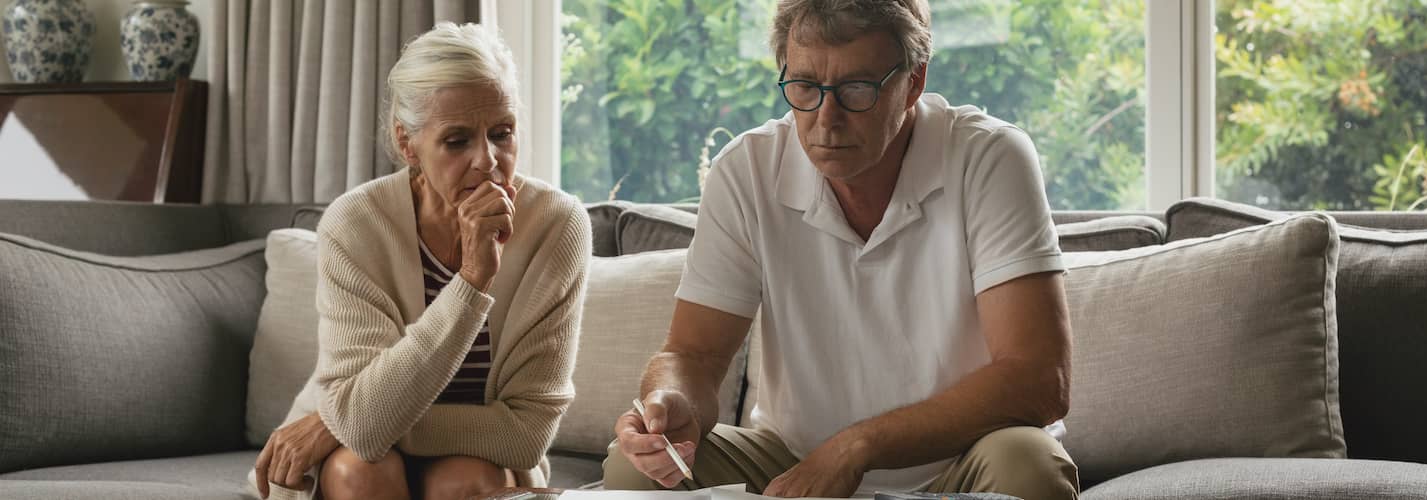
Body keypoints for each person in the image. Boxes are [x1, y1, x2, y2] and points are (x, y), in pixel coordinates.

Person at [602, 0, 1079, 498]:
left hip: (963, 460)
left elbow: (1039, 378)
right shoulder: (747, 171)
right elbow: (693, 355)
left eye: (856, 89)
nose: (826, 120)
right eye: (805, 87)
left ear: (913, 81)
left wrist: (858, 446)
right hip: (793, 461)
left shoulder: (989, 157)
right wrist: (670, 402)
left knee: (1030, 465)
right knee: (631, 470)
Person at [247, 22, 590, 500]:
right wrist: (471, 282)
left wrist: (337, 422)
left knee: (466, 478)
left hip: (478, 463)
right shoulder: (356, 224)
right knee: (359, 470)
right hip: (355, 460)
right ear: (408, 143)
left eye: (502, 133)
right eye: (457, 140)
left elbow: (525, 434)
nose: (488, 160)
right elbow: (363, 431)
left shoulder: (557, 225)